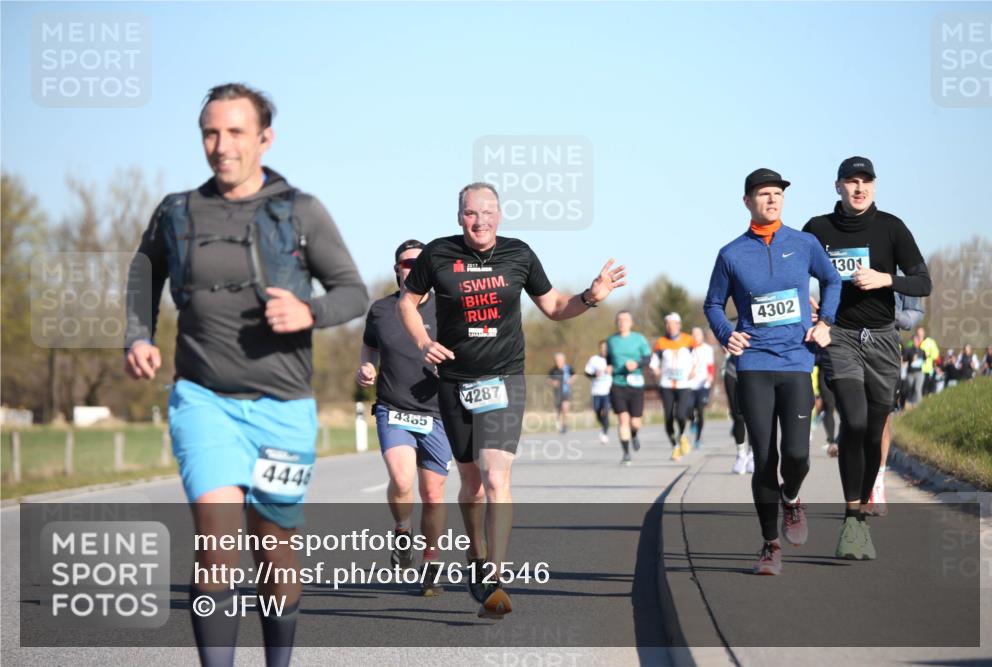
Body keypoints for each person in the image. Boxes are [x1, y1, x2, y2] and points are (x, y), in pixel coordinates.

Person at [124, 83, 368, 666]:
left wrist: (310, 311)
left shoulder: (299, 211)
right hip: (203, 398)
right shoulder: (177, 211)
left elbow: (353, 292)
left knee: (275, 550)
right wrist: (137, 333)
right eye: (210, 132)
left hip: (282, 408)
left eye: (235, 132)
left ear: (265, 139)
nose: (220, 145)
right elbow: (143, 269)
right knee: (217, 545)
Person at [397, 182, 626, 618]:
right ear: (458, 216)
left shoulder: (519, 253)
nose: (478, 220)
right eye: (469, 213)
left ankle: (496, 578)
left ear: (500, 216)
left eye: (486, 212)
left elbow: (555, 306)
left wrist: (591, 297)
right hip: (453, 382)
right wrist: (423, 341)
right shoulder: (439, 254)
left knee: (496, 476)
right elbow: (406, 304)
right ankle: (478, 557)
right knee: (471, 484)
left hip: (504, 381)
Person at [705, 168, 841, 575]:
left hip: (798, 361)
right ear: (747, 201)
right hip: (754, 365)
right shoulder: (731, 254)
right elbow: (713, 304)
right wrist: (726, 333)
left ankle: (792, 499)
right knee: (764, 457)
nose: (772, 200)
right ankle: (770, 544)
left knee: (797, 455)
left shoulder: (804, 243)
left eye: (777, 194)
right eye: (764, 194)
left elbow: (832, 280)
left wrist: (825, 322)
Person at [803, 156, 931, 560]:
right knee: (853, 422)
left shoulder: (891, 227)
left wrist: (887, 279)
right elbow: (790, 272)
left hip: (882, 340)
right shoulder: (818, 229)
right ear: (837, 186)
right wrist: (805, 306)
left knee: (874, 433)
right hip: (839, 336)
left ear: (874, 187)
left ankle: (861, 503)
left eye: (866, 182)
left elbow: (923, 282)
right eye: (851, 182)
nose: (859, 188)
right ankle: (853, 520)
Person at [356, 240, 451, 596]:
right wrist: (366, 365)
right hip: (393, 408)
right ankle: (402, 527)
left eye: (419, 261)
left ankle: (431, 564)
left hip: (439, 413)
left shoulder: (447, 308)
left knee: (433, 493)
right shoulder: (381, 309)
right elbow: (370, 345)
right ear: (397, 269)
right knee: (401, 479)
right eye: (406, 262)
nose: (412, 267)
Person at [868, 291, 925, 516]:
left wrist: (896, 316)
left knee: (883, 423)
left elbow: (916, 311)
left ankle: (878, 484)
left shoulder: (900, 268)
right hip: (852, 347)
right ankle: (859, 484)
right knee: (856, 422)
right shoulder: (855, 260)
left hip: (888, 349)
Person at [606, 310, 652, 465]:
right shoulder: (611, 341)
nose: (622, 322)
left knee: (635, 422)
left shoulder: (639, 339)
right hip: (617, 384)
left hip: (636, 383)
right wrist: (609, 367)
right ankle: (626, 453)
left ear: (631, 323)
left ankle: (634, 434)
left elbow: (647, 358)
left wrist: (636, 364)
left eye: (625, 320)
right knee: (622, 419)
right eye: (619, 320)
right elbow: (608, 360)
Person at [650, 313, 696, 461]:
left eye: (673, 324)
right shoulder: (661, 342)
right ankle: (675, 447)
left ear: (679, 325)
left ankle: (682, 435)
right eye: (668, 324)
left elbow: (696, 358)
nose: (670, 327)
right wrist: (655, 369)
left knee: (681, 415)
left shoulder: (689, 340)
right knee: (668, 417)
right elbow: (654, 360)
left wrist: (694, 369)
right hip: (666, 384)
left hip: (683, 384)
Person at [723, 351, 751, 474]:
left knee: (754, 416)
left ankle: (752, 455)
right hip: (733, 372)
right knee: (738, 417)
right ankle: (741, 455)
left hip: (755, 371)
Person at [689, 326, 715, 447]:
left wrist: (710, 376)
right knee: (688, 409)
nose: (695, 337)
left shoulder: (707, 349)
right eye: (693, 334)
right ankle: (692, 420)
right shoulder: (687, 349)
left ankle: (698, 438)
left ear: (702, 336)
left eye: (697, 334)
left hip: (703, 384)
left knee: (700, 410)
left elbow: (710, 365)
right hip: (689, 384)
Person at [584, 340, 613, 443]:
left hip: (608, 390)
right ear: (599, 349)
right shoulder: (594, 359)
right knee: (597, 412)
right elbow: (586, 373)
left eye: (605, 348)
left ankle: (604, 432)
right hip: (596, 391)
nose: (603, 350)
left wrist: (612, 371)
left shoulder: (612, 360)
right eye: (602, 348)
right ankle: (604, 426)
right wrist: (594, 375)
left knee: (605, 412)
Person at [547, 352, 576, 434]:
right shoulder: (553, 370)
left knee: (565, 408)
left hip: (566, 391)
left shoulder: (568, 368)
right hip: (557, 393)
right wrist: (553, 382)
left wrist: (571, 380)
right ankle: (559, 422)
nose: (557, 362)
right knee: (558, 410)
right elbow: (548, 379)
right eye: (556, 361)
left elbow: (574, 375)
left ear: (563, 360)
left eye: (559, 360)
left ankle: (564, 425)